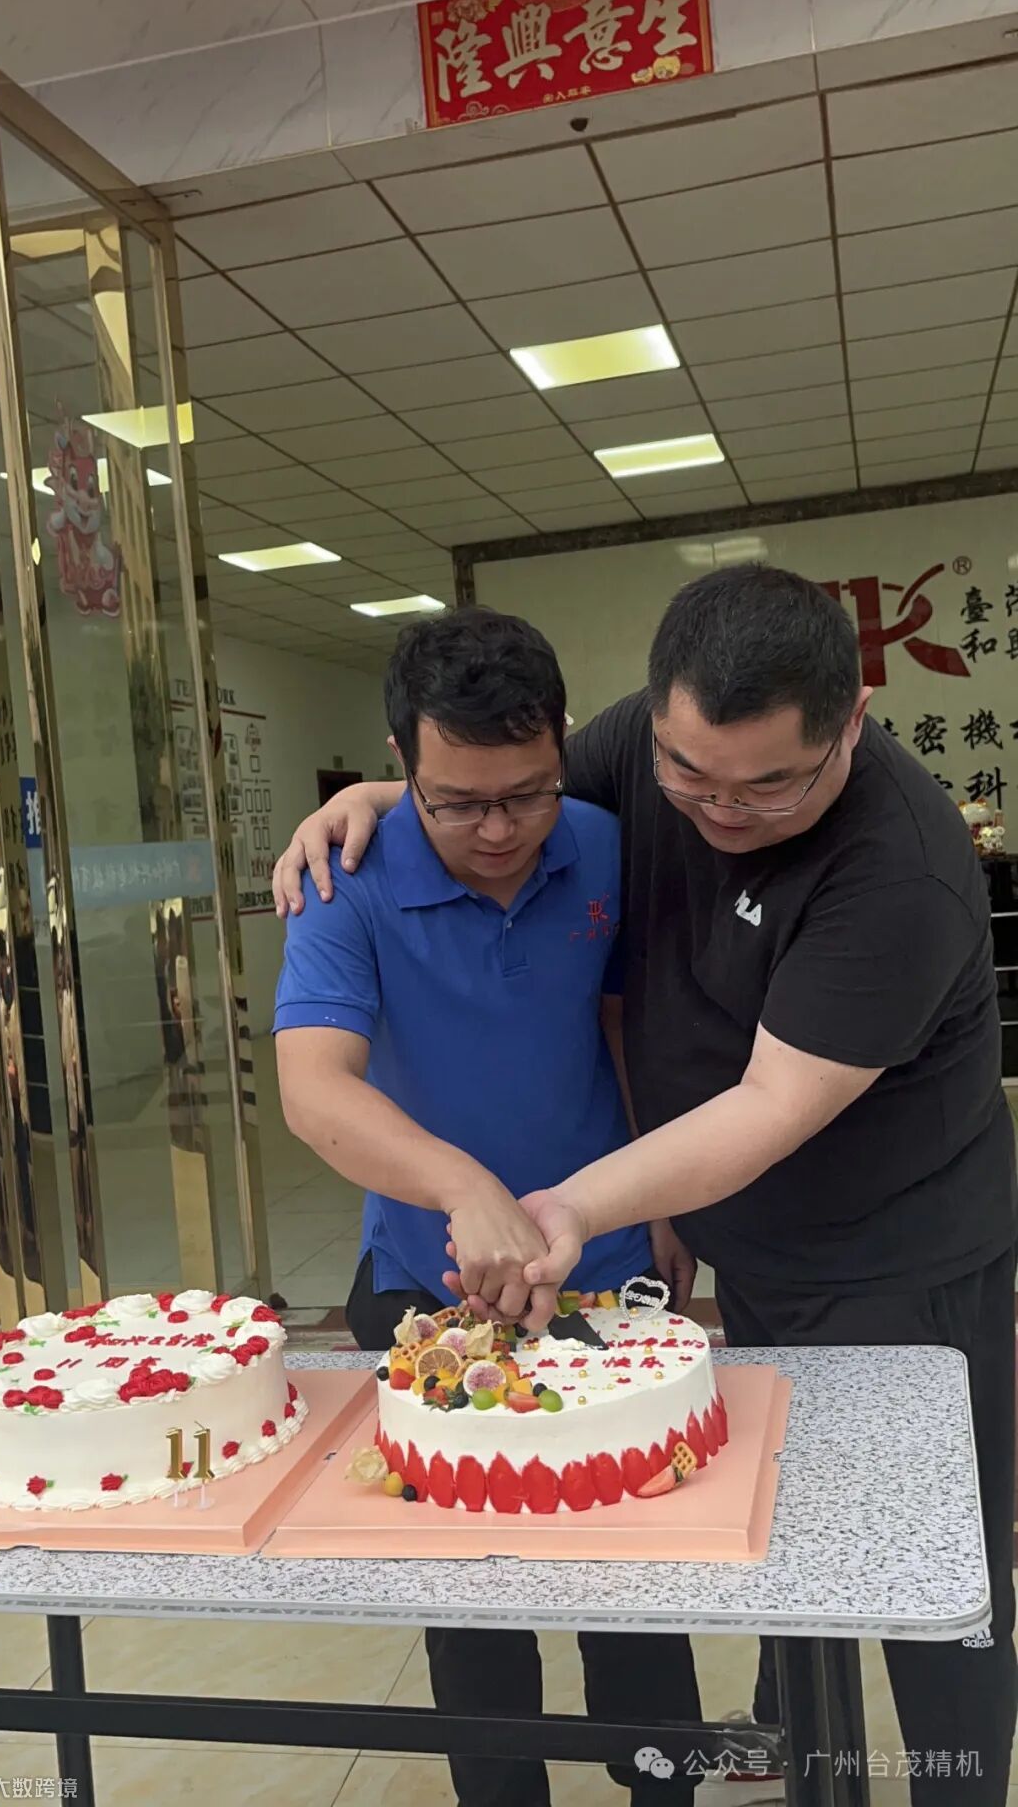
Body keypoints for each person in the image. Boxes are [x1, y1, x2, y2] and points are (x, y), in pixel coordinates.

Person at [274, 564, 1018, 1806]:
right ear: (651, 722)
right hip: (746, 1249)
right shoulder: (632, 756)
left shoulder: (901, 870)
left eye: (770, 784)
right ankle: (793, 1736)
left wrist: (572, 1207)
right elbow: (497, 779)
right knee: (781, 1540)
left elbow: (769, 1106)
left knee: (929, 1572)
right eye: (689, 774)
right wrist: (384, 799)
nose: (720, 807)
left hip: (900, 1255)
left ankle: (956, 1783)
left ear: (851, 723)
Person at [273, 604, 696, 1807]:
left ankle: (659, 1780)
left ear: (562, 748)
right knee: (473, 1598)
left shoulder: (605, 843)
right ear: (401, 766)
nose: (500, 831)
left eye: (527, 794)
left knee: (634, 1569)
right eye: (459, 804)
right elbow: (314, 1088)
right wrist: (466, 1187)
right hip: (429, 1282)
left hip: (604, 1271)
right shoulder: (345, 880)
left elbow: (626, 1026)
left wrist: (663, 1199)